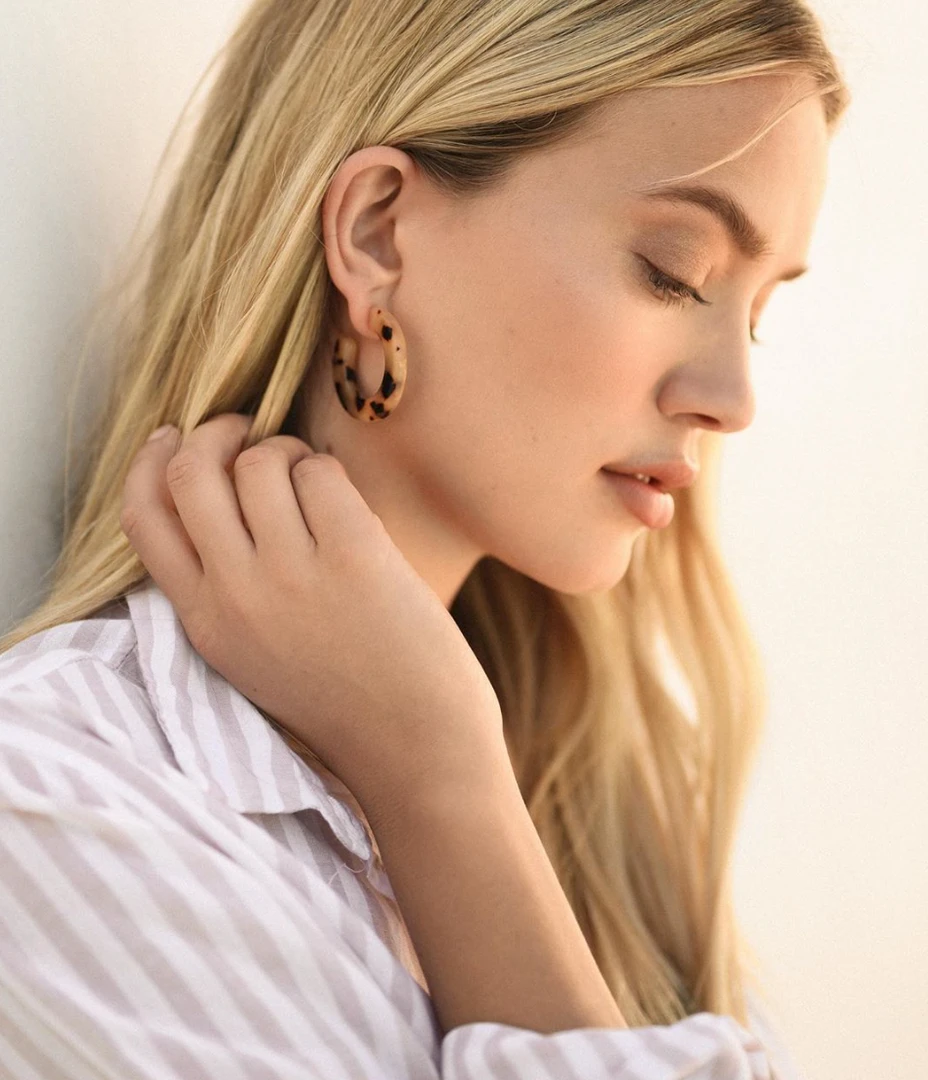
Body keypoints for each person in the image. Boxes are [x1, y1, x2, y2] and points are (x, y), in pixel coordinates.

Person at [0, 0, 851, 1076]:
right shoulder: (62, 800)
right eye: (673, 271)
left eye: (757, 314)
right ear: (377, 235)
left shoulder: (618, 850)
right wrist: (439, 780)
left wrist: (453, 776)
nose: (731, 401)